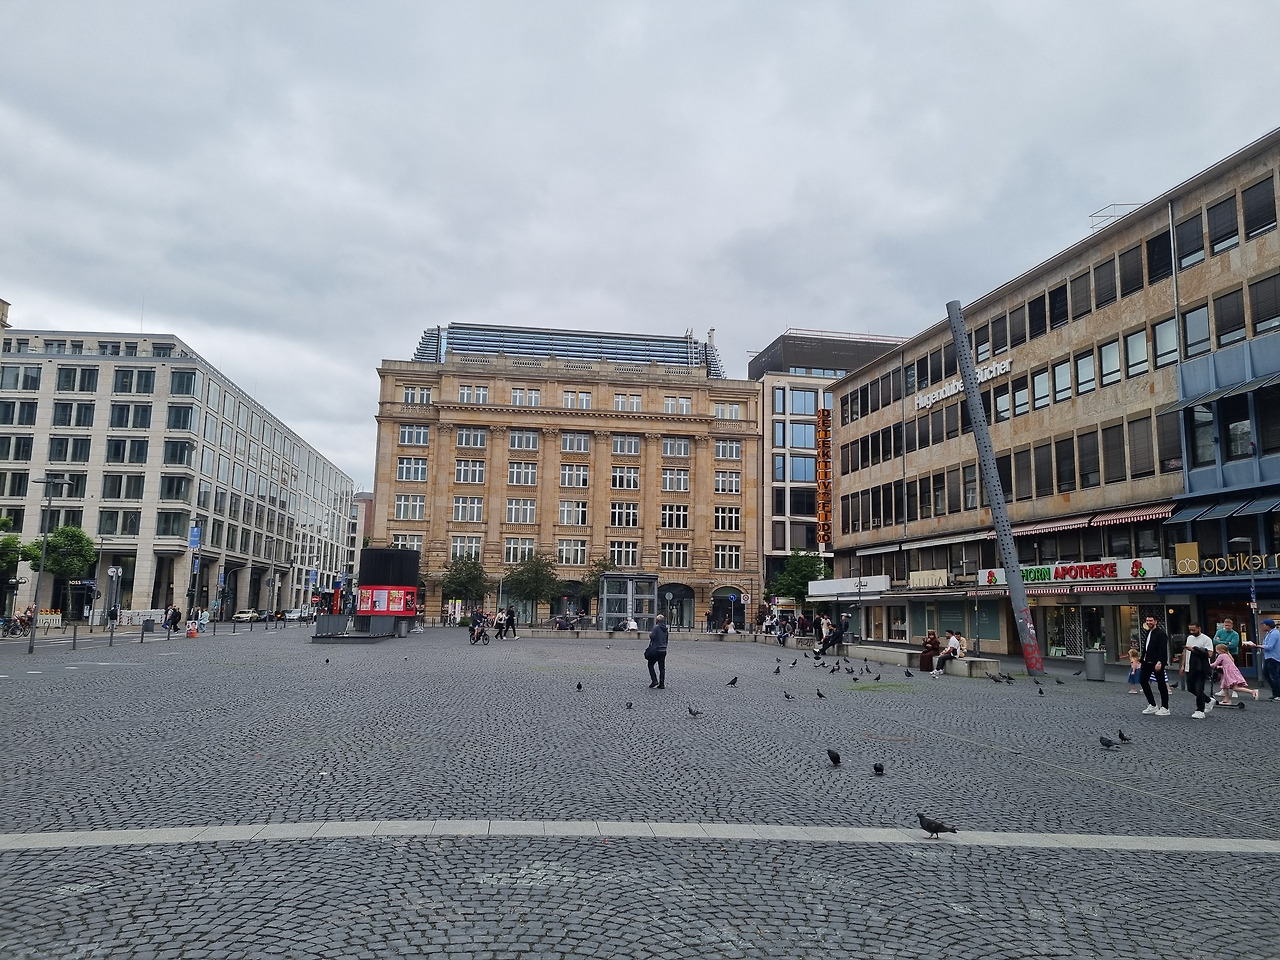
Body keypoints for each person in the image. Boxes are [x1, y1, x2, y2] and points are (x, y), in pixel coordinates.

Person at [1180, 622, 1215, 719]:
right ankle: (1208, 700)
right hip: (1189, 667)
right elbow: (1185, 652)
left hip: (1201, 668)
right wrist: (1183, 665)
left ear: (1199, 628)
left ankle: (1200, 710)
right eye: (1190, 630)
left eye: (1193, 630)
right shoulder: (1189, 638)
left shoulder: (1206, 639)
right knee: (1191, 688)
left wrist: (1194, 650)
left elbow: (1209, 654)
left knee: (1199, 689)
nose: (1191, 632)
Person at [1139, 615, 1171, 716]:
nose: (1149, 622)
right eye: (1147, 620)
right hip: (1146, 662)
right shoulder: (1148, 632)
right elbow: (1146, 648)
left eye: (1151, 620)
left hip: (1156, 662)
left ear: (1156, 622)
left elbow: (1162, 649)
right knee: (1143, 681)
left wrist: (1160, 662)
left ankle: (1165, 707)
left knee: (1161, 684)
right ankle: (1152, 705)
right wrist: (1142, 660)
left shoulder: (1161, 634)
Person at [1244, 617, 1280, 701]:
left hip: (1273, 658)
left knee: (1274, 676)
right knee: (1267, 674)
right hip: (1269, 657)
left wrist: (1255, 645)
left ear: (1267, 625)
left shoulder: (1274, 634)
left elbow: (1269, 647)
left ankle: (1278, 694)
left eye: (1263, 625)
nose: (1262, 627)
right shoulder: (1269, 633)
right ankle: (1275, 693)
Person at [645, 615, 669, 689]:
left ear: (657, 620)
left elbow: (652, 637)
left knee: (650, 664)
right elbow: (666, 639)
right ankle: (662, 683)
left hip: (656, 649)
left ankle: (654, 680)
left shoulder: (656, 627)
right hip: (663, 650)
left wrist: (650, 634)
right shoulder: (665, 629)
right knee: (662, 667)